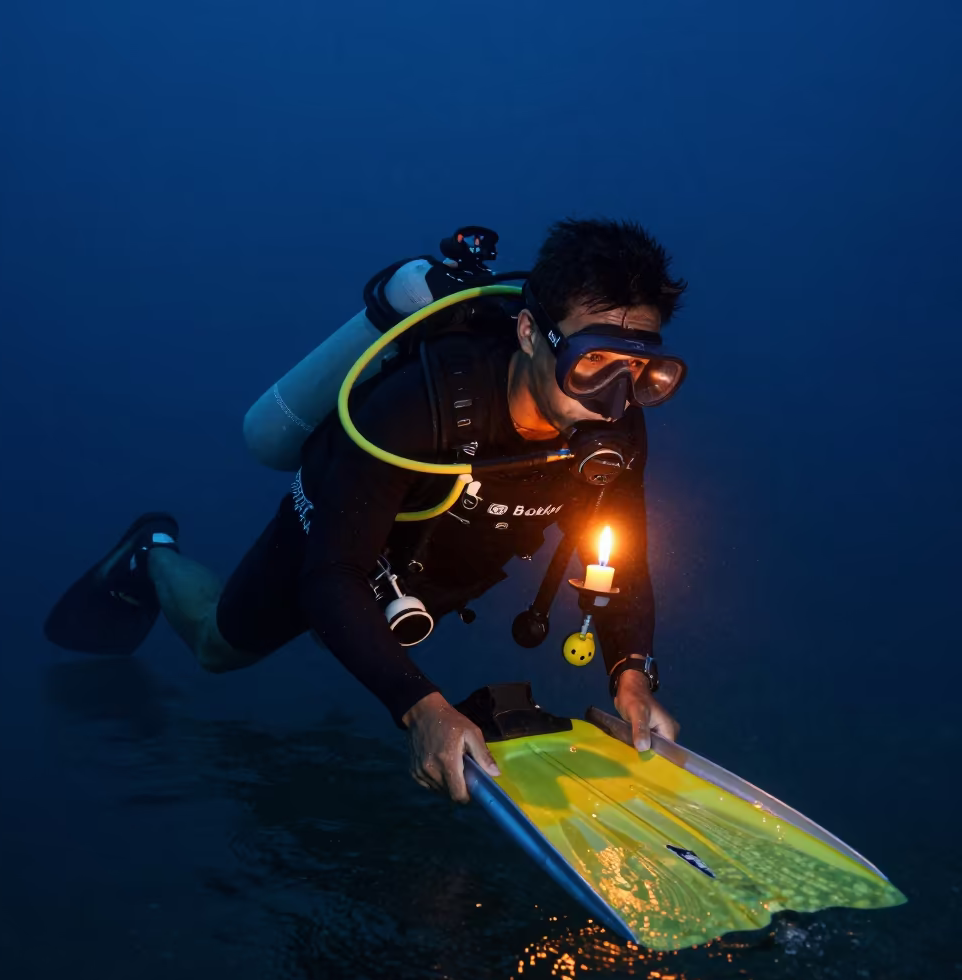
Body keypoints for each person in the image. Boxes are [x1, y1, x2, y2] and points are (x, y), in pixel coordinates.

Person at [47, 218, 688, 804]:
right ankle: (152, 549)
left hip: (445, 557)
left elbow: (624, 557)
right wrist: (420, 706)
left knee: (366, 637)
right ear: (529, 332)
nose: (614, 400)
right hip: (342, 530)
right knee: (219, 647)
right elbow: (332, 576)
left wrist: (631, 672)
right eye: (592, 362)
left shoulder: (620, 426)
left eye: (640, 372)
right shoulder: (420, 406)